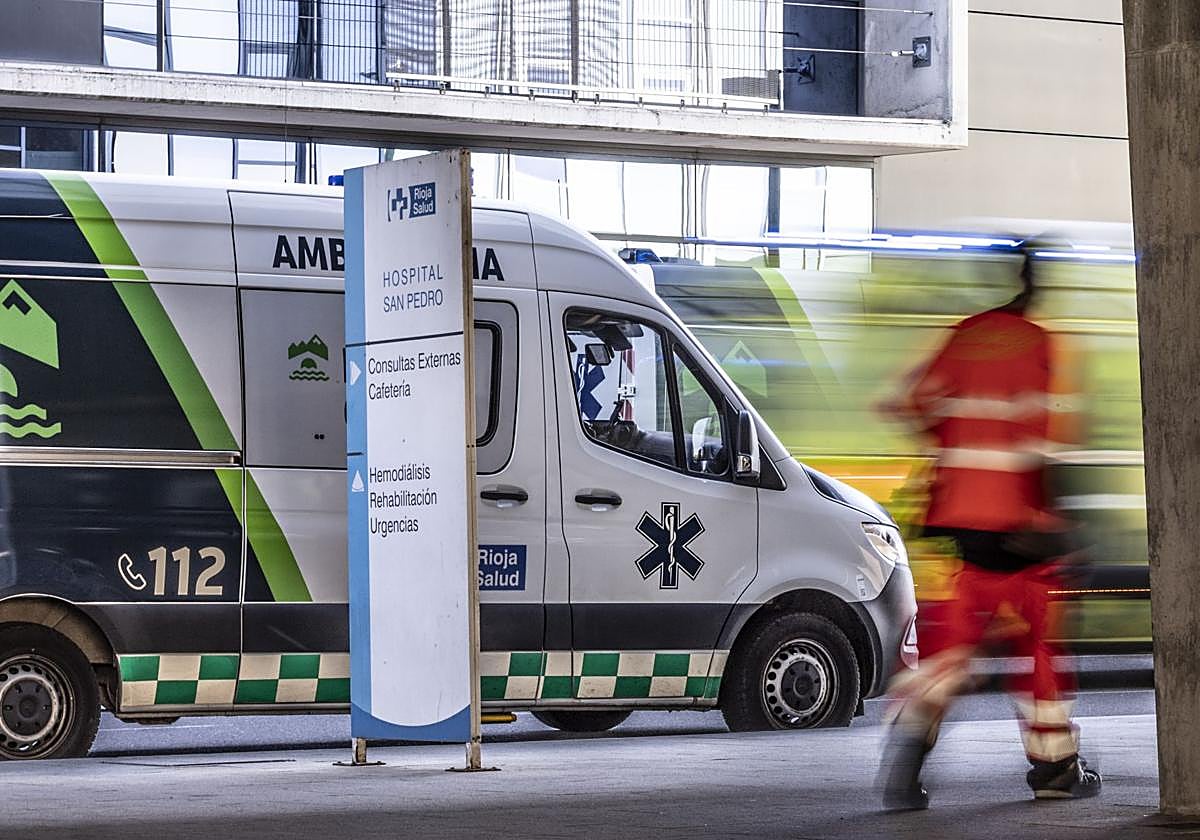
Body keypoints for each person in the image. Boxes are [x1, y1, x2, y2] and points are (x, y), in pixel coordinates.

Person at [878, 247, 1101, 809]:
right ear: (1035, 286)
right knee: (1038, 650)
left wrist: (950, 447)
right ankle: (1054, 770)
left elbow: (906, 403)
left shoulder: (963, 334)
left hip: (954, 525)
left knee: (948, 652)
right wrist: (1063, 523)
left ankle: (905, 767)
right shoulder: (1039, 343)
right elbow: (1045, 440)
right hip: (1020, 529)